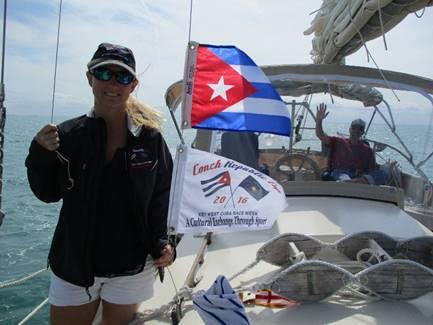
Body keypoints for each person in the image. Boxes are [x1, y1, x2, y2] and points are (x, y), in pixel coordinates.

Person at [25, 43, 175, 325]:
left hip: (132, 266)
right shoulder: (67, 136)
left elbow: (161, 195)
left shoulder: (150, 140)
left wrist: (162, 243)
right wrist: (39, 154)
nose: (113, 83)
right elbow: (46, 193)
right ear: (89, 77)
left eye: (123, 77)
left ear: (134, 85)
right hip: (74, 266)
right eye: (104, 73)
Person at [315, 103, 386, 184]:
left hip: (359, 176)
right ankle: (353, 182)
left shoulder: (368, 150)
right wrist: (319, 121)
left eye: (360, 129)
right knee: (343, 176)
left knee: (383, 174)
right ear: (350, 129)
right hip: (341, 173)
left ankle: (354, 182)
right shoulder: (339, 142)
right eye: (354, 127)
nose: (356, 130)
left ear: (362, 132)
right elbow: (320, 135)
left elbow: (371, 169)